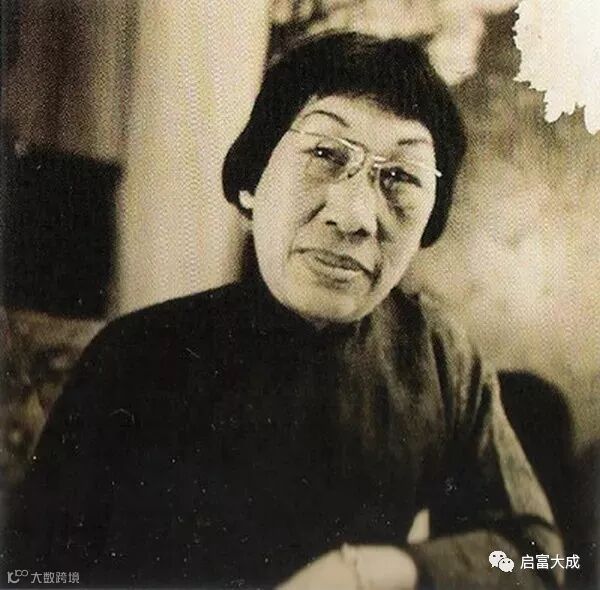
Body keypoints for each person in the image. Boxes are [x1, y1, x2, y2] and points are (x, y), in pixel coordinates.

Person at [4, 32, 563, 589]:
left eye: (400, 178)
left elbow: (541, 560)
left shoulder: (440, 362)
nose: (354, 217)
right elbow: (35, 573)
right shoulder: (134, 359)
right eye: (325, 154)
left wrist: (381, 571)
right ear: (252, 183)